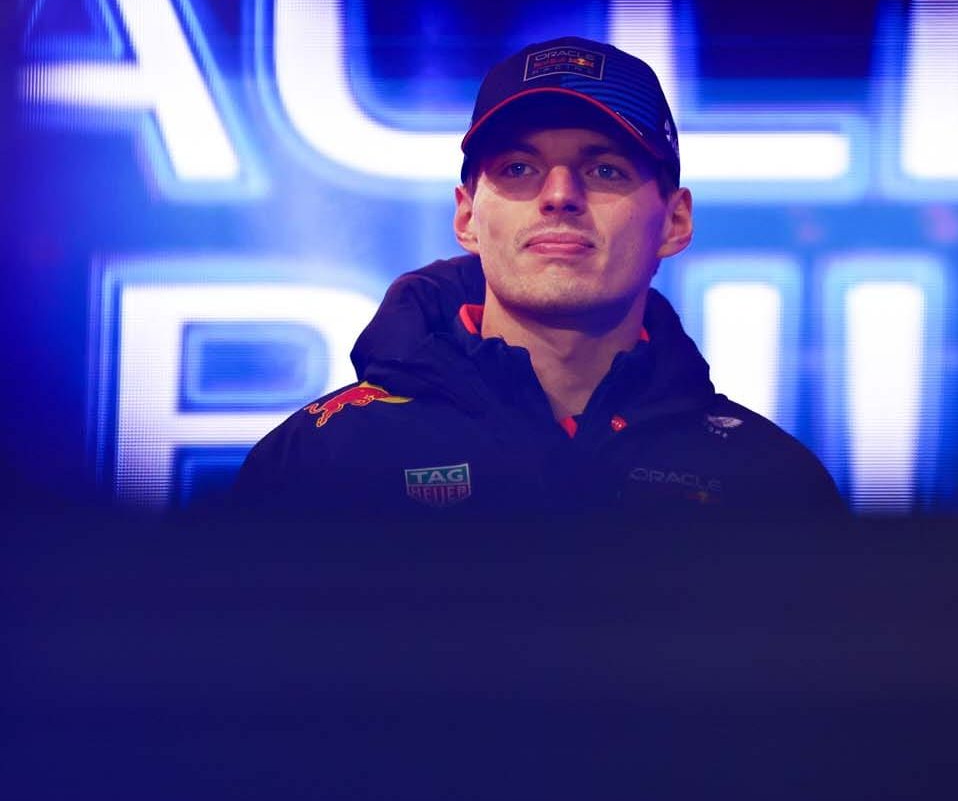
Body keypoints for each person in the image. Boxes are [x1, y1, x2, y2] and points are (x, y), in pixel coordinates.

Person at [231, 37, 844, 515]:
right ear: (468, 216)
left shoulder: (769, 482)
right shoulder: (324, 459)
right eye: (519, 167)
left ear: (674, 221)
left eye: (604, 170)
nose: (558, 195)